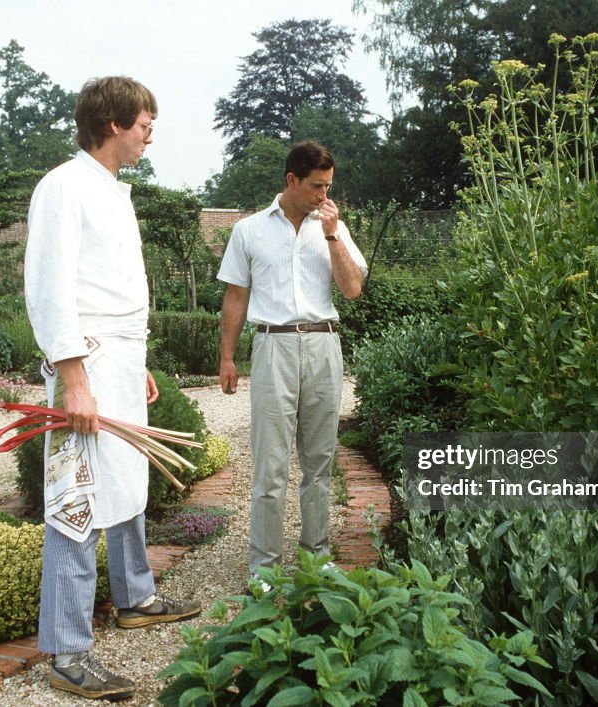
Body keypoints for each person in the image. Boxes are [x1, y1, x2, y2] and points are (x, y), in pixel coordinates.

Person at [24, 75, 200, 701]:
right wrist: (75, 378)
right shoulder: (63, 187)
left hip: (118, 360)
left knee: (127, 479)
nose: (150, 134)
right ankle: (68, 652)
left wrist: (136, 360)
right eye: (144, 123)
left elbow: (111, 288)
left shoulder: (114, 192)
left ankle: (136, 597)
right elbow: (50, 289)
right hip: (87, 365)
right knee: (77, 496)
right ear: (111, 125)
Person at [217, 140, 367, 583]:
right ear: (291, 181)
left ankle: (315, 559)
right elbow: (235, 296)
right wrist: (227, 357)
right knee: (270, 464)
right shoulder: (248, 230)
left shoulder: (333, 227)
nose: (325, 195)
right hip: (272, 347)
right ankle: (264, 569)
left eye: (329, 186)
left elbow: (353, 289)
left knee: (319, 462)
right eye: (317, 187)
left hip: (324, 345)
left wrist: (333, 234)